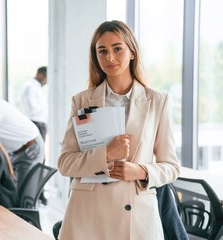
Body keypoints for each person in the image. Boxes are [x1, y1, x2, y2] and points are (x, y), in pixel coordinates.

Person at [57, 20, 183, 240]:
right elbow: (65, 163)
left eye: (117, 49)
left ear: (132, 52)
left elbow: (171, 167)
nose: (110, 58)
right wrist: (106, 154)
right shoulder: (82, 101)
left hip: (135, 214)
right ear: (95, 56)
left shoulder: (157, 101)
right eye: (102, 51)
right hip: (87, 214)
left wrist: (141, 171)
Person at [21, 66, 48, 141]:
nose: (47, 81)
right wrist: (45, 107)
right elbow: (32, 108)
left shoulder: (36, 87)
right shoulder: (30, 87)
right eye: (46, 77)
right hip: (36, 123)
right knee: (38, 149)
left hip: (39, 123)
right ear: (41, 74)